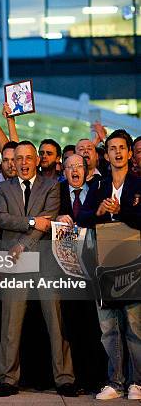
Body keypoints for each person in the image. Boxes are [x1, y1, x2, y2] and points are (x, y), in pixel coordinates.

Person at [0, 140, 76, 398]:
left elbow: (48, 221)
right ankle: (8, 380)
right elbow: (2, 218)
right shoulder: (2, 188)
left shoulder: (52, 186)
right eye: (19, 159)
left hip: (44, 262)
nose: (24, 163)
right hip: (15, 264)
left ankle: (65, 379)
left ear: (36, 160)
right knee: (10, 324)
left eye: (29, 158)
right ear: (13, 162)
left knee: (56, 322)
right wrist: (30, 220)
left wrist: (21, 245)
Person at [80, 130, 140, 400]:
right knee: (108, 327)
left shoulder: (139, 184)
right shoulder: (99, 186)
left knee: (134, 325)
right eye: (112, 148)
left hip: (133, 262)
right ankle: (114, 382)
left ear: (129, 153)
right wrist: (100, 212)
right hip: (104, 263)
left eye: (121, 148)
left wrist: (120, 211)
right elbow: (82, 217)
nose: (117, 152)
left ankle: (136, 382)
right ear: (106, 155)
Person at [55, 154, 107, 394]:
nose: (74, 170)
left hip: (94, 266)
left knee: (95, 325)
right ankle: (77, 378)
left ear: (87, 171)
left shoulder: (98, 190)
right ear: (63, 171)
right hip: (67, 269)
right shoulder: (57, 192)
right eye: (69, 167)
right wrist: (57, 218)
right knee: (72, 325)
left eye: (79, 166)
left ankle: (98, 378)